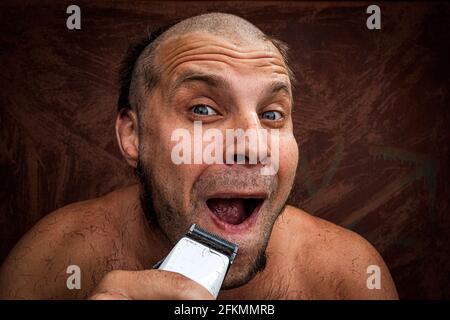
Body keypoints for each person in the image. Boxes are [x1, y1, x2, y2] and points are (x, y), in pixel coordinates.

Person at [0, 12, 398, 300]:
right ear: (133, 135)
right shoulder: (51, 264)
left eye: (272, 115)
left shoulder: (350, 278)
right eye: (203, 110)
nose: (254, 147)